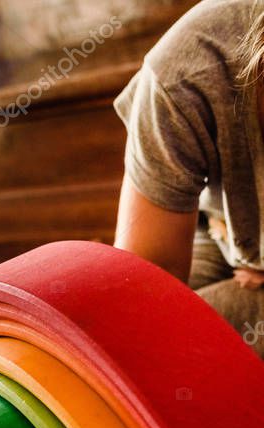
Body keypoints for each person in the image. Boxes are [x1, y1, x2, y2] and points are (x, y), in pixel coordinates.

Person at [114, 0, 264, 356]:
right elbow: (146, 291)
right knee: (127, 339)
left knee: (206, 340)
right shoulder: (183, 72)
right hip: (218, 225)